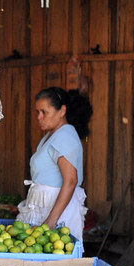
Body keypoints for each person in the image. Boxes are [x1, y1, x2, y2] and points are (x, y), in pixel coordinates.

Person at [15, 86, 92, 241]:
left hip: (57, 212)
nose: (39, 117)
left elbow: (71, 180)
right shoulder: (51, 135)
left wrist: (51, 220)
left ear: (62, 111)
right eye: (37, 112)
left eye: (44, 112)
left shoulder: (65, 136)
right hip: (44, 206)